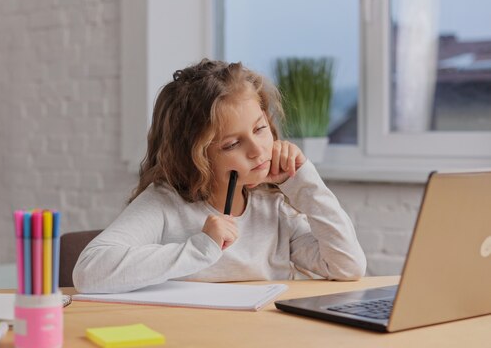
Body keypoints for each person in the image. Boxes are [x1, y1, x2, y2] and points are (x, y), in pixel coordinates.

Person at [73, 59, 366, 294]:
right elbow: (89, 272)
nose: (256, 150)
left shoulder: (274, 205)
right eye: (232, 144)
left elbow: (347, 266)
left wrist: (303, 182)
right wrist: (201, 247)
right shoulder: (165, 204)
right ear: (195, 155)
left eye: (260, 129)